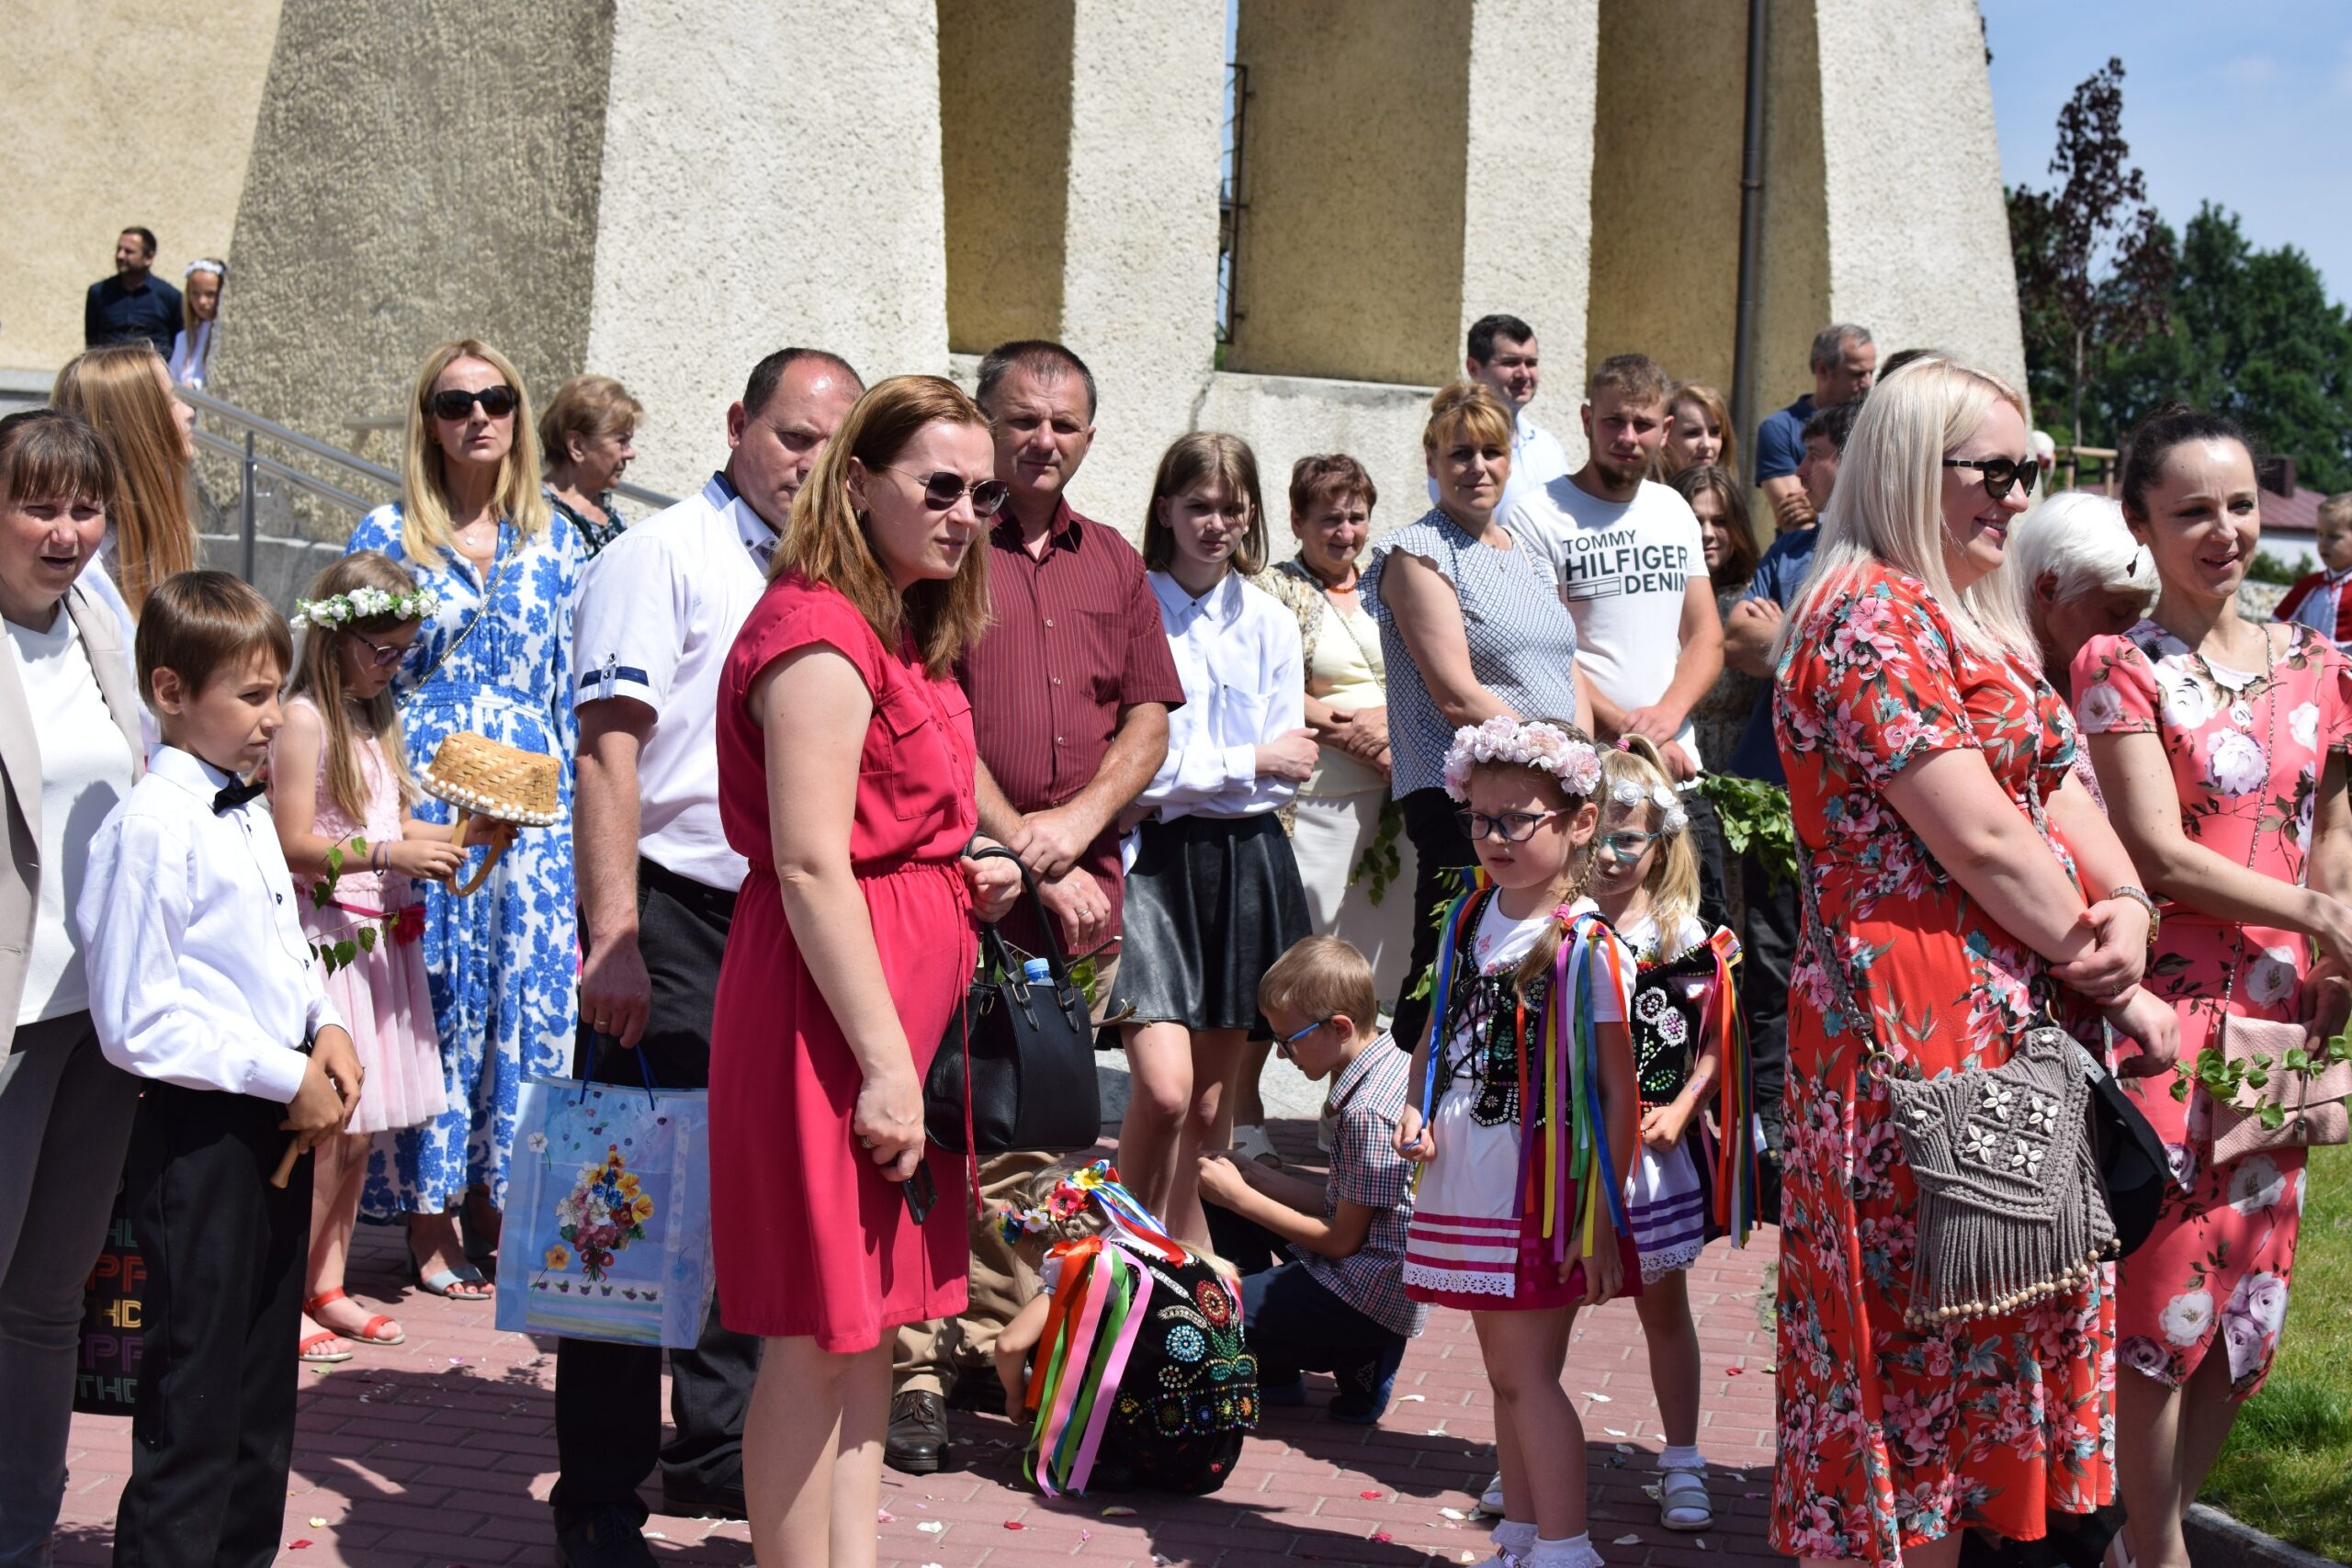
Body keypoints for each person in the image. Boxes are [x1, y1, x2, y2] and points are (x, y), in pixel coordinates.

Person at [1768, 355, 2179, 1567]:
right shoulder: (1863, 613)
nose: (2017, 493)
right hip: (1912, 1037)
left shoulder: (1965, 614)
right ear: (1911, 466)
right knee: (1920, 1371)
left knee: (1991, 1348)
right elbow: (1986, 832)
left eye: (2030, 470)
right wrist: (2102, 955)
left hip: (2000, 1030)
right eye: (1995, 469)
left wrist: (2128, 912)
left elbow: (2056, 787)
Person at [707, 373, 1018, 1567]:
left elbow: (892, 827)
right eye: (939, 485)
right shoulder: (820, 630)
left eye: (982, 492)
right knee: (811, 1332)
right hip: (828, 1020)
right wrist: (888, 1064)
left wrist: (967, 866)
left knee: (867, 1330)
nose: (965, 511)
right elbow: (809, 863)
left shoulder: (901, 619)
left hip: (889, 1015)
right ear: (856, 482)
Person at [561, 346, 862, 1562]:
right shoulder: (659, 555)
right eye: (793, 437)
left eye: (832, 447)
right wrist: (614, 934)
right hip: (669, 913)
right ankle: (596, 1504)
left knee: (755, 1202)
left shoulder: (829, 572)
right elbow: (606, 755)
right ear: (738, 423)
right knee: (621, 1218)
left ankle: (714, 1453)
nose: (809, 465)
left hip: (778, 918)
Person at [888, 340, 1182, 1476]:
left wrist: (1069, 846)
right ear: (986, 422)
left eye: (1063, 425)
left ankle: (989, 1352)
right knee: (929, 1137)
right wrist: (1022, 844)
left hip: (1068, 911)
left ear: (1090, 437)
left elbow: (1148, 721)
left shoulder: (1113, 562)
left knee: (1040, 1150)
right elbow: (934, 712)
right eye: (1020, 421)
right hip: (958, 894)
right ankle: (909, 1365)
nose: (1040, 442)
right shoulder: (947, 548)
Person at [2074, 408, 2352, 1568]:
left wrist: (2330, 953)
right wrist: (2318, 915)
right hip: (2168, 1024)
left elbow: (2329, 815)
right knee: (2161, 1309)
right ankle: (2156, 1553)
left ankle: (2150, 1538)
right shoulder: (2117, 664)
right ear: (2140, 523)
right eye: (2191, 510)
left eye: (2239, 506)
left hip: (2281, 1016)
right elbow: (2154, 849)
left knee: (2249, 1306)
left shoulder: (2321, 664)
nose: (2224, 531)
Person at [79, 571, 366, 1568]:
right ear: (169, 690)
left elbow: (278, 944)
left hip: (267, 1118)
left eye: (277, 689)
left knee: (256, 1390)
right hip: (198, 1134)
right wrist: (272, 1070)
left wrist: (323, 1024)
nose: (272, 716)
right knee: (194, 1394)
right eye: (249, 695)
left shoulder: (242, 809)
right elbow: (136, 1017)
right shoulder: (152, 828)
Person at [345, 338, 582, 1297]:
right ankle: (430, 1216)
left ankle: (499, 1201)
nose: (477, 416)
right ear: (428, 420)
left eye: (496, 398)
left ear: (520, 416)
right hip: (429, 796)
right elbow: (352, 675)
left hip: (532, 810)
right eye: (454, 402)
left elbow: (571, 687)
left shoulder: (558, 538)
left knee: (525, 1015)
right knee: (436, 1004)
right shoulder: (387, 530)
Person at [1396, 716, 1638, 1568]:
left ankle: (1568, 1546)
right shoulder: (1468, 915)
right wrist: (1418, 1105)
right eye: (1480, 817)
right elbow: (1438, 1027)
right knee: (1504, 1371)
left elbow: (1616, 1088)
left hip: (1542, 1184)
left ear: (1578, 822)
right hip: (1469, 1167)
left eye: (1516, 819)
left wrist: (1602, 1215)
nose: (1493, 837)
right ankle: (1527, 1531)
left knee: (1528, 1372)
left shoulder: (1584, 943)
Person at [269, 555, 488, 1367]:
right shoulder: (304, 720)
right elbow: (295, 841)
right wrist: (392, 848)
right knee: (325, 1129)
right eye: (384, 650)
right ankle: (287, 1288)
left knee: (358, 1136)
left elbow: (402, 827)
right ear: (337, 637)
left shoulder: (370, 718)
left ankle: (328, 1281)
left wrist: (476, 831)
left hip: (378, 934)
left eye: (403, 650)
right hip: (331, 934)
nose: (395, 665)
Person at [0, 410, 143, 1567]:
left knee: (50, 1300)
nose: (65, 532)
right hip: (6, 1021)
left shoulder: (101, 619)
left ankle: (21, 1530)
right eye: (37, 506)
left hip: (93, 1015)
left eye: (83, 506)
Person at [1116, 432, 1312, 1248]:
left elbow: (1288, 766)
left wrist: (1209, 769)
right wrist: (1240, 761)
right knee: (1162, 1093)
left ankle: (1189, 1281)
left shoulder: (1266, 618)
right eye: (1198, 505)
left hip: (1244, 862)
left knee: (1210, 1104)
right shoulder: (1132, 608)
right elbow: (1134, 774)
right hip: (1155, 863)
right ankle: (1119, 1257)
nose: (1215, 523)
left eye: (1232, 508)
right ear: (1166, 507)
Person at [1366, 381, 1591, 1057]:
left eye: (1492, 451)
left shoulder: (1520, 550)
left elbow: (1565, 665)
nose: (1478, 467)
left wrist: (1587, 758)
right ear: (1432, 461)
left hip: (1552, 790)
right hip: (1466, 799)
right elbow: (1457, 693)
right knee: (1447, 962)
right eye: (1459, 452)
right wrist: (1562, 755)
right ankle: (1390, 1115)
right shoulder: (1417, 552)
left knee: (1525, 963)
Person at [1592, 737, 1751, 1533]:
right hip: (1570, 1151)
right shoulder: (1558, 930)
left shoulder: (1682, 935)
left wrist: (1687, 1104)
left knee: (1663, 1305)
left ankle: (1683, 1457)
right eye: (1597, 836)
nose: (1612, 854)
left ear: (1662, 844)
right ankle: (1522, 1451)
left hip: (1653, 1156)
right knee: (1543, 1304)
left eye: (1630, 837)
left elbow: (1719, 1041)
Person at [1717, 394, 1861, 1213]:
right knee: (1771, 978)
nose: (1799, 475)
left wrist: (1795, 643)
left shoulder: (1895, 556)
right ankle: (1774, 1152)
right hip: (1771, 805)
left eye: (1814, 456)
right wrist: (1825, 650)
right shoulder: (1794, 549)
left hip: (1851, 818)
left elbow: (1837, 662)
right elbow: (1740, 641)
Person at [1195, 935, 1427, 1424]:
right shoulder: (1387, 1069)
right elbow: (1342, 1202)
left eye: (1287, 1040)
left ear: (1338, 1027)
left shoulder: (1366, 1113)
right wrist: (1254, 1176)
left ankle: (1360, 1351)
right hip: (1366, 1270)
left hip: (1366, 1293)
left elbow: (1341, 1240)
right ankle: (1280, 1364)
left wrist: (1241, 1198)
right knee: (1227, 1192)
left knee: (1212, 1310)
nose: (1281, 1055)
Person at [992, 1162, 1256, 1496]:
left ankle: (1114, 1457)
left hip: (1164, 1451)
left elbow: (1010, 1344)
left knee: (1055, 1333)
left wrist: (1015, 1396)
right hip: (1219, 1447)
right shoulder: (1159, 1250)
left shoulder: (1086, 1263)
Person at [2005, 491, 2155, 807]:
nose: (2131, 632)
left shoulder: (2106, 682)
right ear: (2050, 589)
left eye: (2139, 612)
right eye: (2117, 611)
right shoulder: (2004, 695)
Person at [50, 344, 200, 626]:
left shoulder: (140, 544)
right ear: (136, 429)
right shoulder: (88, 574)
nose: (188, 411)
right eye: (170, 401)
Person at [1427, 314, 1573, 521]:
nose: (1524, 374)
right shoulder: (1453, 445)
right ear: (1473, 368)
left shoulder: (1547, 444)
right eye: (1511, 362)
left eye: (1531, 363)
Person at [1677, 466, 1762, 780]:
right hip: (1676, 768)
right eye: (1696, 521)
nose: (1707, 533)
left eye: (1720, 521)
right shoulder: (1659, 603)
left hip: (1742, 782)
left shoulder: (1755, 598)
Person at [1755, 322, 1873, 535]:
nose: (1867, 382)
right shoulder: (1779, 428)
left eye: (1871, 372)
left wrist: (1821, 512)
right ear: (1822, 370)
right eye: (1857, 374)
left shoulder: (1874, 424)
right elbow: (1795, 520)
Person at [540, 373, 645, 559]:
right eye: (622, 440)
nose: (631, 453)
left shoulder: (612, 517)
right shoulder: (538, 515)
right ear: (577, 445)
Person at [84, 228, 183, 358]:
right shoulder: (98, 293)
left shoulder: (170, 296)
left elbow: (179, 342)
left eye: (128, 251)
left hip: (151, 374)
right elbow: (92, 341)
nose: (120, 256)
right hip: (109, 373)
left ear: (148, 257)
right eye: (119, 249)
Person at [2272, 491, 2352, 647]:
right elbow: (2280, 633)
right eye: (2320, 534)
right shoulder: (2309, 586)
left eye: (2333, 536)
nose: (2323, 542)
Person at [1657, 383, 1735, 484]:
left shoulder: (1728, 498)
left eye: (1714, 432)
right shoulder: (1645, 498)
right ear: (1664, 434)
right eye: (1692, 433)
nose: (1707, 444)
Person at [167, 259, 224, 390]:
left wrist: (195, 386)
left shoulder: (222, 336)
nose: (202, 301)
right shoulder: (183, 337)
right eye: (195, 293)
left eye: (210, 294)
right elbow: (173, 376)